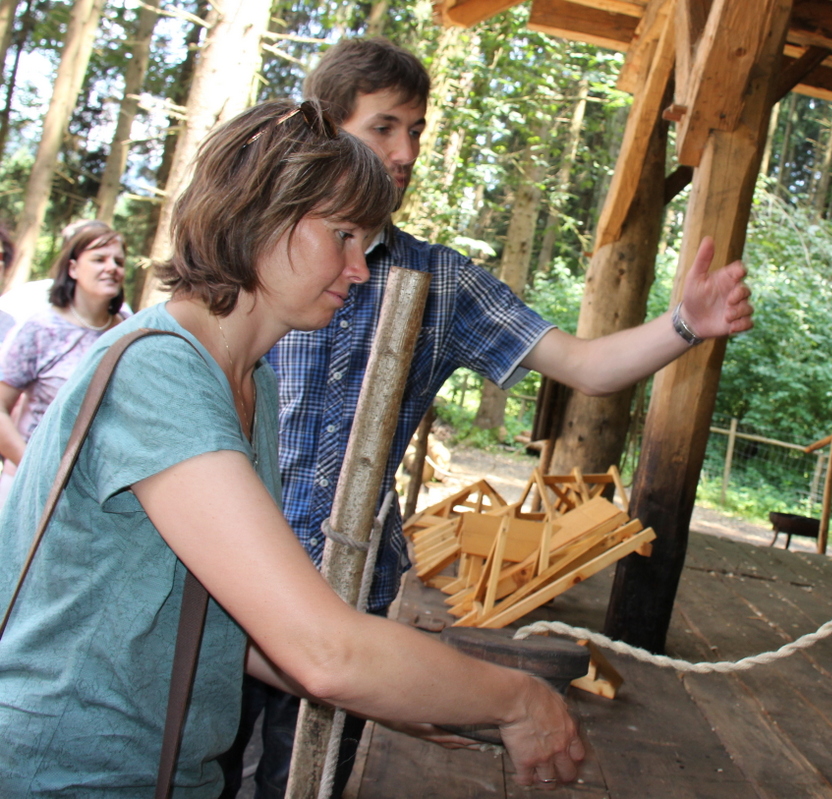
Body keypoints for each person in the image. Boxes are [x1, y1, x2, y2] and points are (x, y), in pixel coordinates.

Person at [0, 99, 584, 797]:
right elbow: (323, 651)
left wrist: (395, 692)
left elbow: (242, 625)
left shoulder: (252, 382)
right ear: (261, 218)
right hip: (66, 771)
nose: (359, 268)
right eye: (342, 235)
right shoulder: (161, 372)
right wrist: (518, 698)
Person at [223, 38, 755, 798]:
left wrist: (684, 325)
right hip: (231, 569)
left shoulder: (441, 280)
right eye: (383, 127)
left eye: (417, 130)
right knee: (200, 764)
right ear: (324, 130)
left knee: (306, 779)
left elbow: (586, 365)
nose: (406, 152)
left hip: (348, 586)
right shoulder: (256, 247)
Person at [0, 222, 129, 506]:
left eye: (118, 262)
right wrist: (34, 466)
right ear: (73, 268)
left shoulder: (130, 332)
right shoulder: (42, 328)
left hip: (96, 495)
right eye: (99, 259)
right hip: (29, 487)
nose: (111, 268)